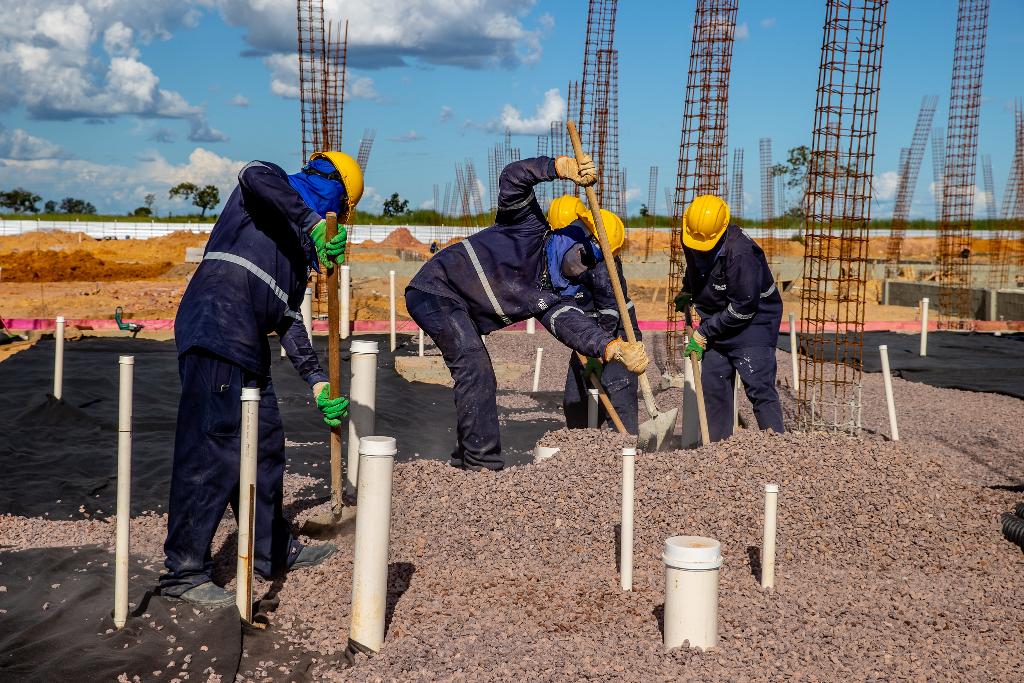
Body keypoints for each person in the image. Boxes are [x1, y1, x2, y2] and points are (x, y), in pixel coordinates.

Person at [160, 151, 363, 607]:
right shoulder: (268, 185)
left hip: (248, 341)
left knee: (266, 445)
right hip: (216, 323)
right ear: (335, 194)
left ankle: (271, 550)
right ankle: (183, 571)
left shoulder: (294, 250)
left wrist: (317, 381)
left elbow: (289, 318)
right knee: (213, 447)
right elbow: (252, 175)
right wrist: (312, 222)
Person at [406, 156, 650, 471]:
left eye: (593, 262)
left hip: (462, 309)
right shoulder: (527, 226)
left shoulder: (550, 295)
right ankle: (482, 465)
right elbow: (513, 178)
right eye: (586, 254)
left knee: (477, 372)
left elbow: (572, 326)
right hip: (436, 289)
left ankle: (466, 458)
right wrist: (559, 168)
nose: (584, 266)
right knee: (474, 367)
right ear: (572, 235)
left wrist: (612, 347)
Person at [674, 194, 784, 442]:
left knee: (759, 386)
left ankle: (779, 450)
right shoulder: (692, 233)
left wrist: (704, 332)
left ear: (721, 230)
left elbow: (743, 308)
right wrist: (688, 288)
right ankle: (717, 451)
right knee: (713, 384)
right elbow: (695, 267)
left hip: (754, 321)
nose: (699, 247)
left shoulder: (741, 253)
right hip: (716, 318)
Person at [545, 197, 641, 435]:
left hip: (617, 332)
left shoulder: (597, 260)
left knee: (617, 393)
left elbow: (610, 311)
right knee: (576, 402)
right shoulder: (559, 252)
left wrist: (599, 353)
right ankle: (583, 450)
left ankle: (625, 453)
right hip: (587, 333)